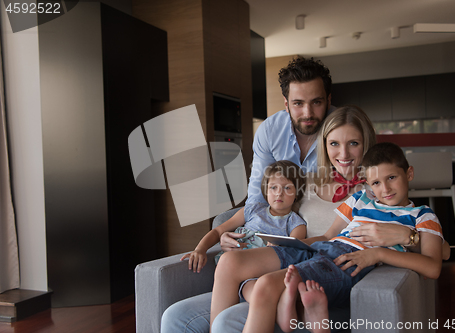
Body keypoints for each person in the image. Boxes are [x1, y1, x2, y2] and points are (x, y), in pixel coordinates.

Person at [160, 60, 413, 332]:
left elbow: (407, 221)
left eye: (316, 102)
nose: (307, 112)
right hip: (288, 251)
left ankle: (274, 297)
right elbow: (263, 196)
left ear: (329, 101)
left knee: (227, 319)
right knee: (175, 316)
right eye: (298, 103)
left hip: (317, 262)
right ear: (286, 103)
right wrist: (245, 229)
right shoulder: (305, 178)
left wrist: (409, 237)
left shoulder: (373, 188)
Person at [211, 142, 444, 333]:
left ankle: (292, 306)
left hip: (347, 261)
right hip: (323, 248)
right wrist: (293, 244)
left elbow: (433, 267)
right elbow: (329, 236)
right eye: (376, 183)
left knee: (264, 286)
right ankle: (292, 306)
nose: (385, 188)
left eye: (392, 177)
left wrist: (378, 254)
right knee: (229, 261)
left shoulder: (422, 215)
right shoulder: (361, 199)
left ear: (409, 173)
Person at [180, 160, 307, 272]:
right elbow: (219, 230)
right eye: (273, 187)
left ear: (297, 193)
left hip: (261, 268)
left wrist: (276, 249)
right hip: (229, 265)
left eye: (287, 188)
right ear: (265, 191)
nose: (279, 193)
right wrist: (200, 249)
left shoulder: (296, 224)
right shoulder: (252, 210)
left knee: (249, 287)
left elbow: (292, 254)